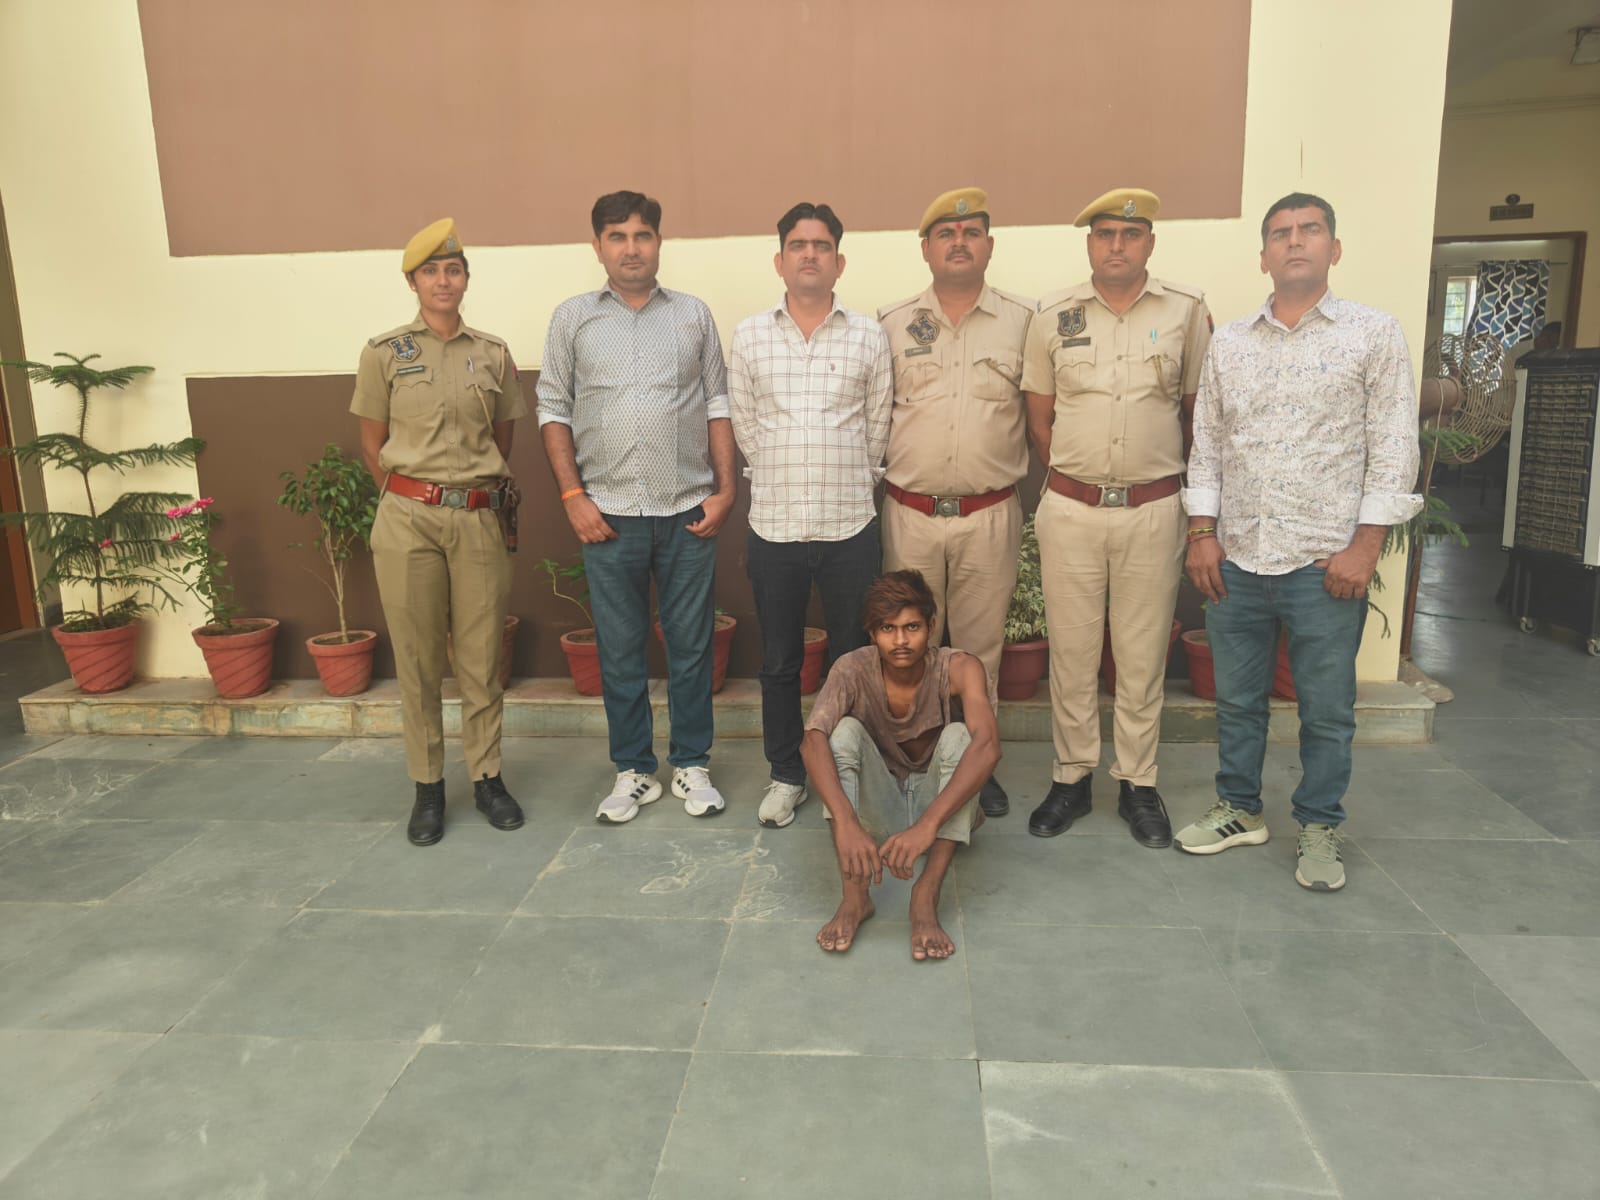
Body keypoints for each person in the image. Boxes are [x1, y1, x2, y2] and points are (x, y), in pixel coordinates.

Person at [1178, 191, 1422, 891]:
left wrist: (1365, 547)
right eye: (1281, 233)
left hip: (1326, 563)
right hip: (1237, 559)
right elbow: (1208, 443)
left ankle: (1319, 825)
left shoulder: (1372, 334)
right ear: (1263, 255)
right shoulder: (1230, 343)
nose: (1294, 241)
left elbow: (1392, 446)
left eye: (1310, 230)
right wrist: (1202, 532)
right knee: (1237, 701)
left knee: (1327, 711)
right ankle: (1239, 808)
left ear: (1333, 249)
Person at [1021, 188, 1212, 847]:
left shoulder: (1186, 310)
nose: (1117, 245)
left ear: (1149, 243)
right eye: (1104, 234)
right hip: (1071, 510)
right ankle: (1071, 777)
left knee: (1140, 654)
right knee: (1072, 653)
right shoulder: (1053, 314)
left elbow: (1198, 418)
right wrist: (1082, 480)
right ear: (1090, 244)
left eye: (1130, 235)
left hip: (1152, 510)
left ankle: (1138, 782)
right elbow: (1040, 420)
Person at [537, 191, 736, 824]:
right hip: (608, 516)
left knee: (691, 646)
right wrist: (573, 497)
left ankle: (692, 764)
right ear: (597, 246)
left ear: (658, 242)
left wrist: (725, 490)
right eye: (617, 236)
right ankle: (634, 770)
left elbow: (717, 403)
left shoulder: (693, 316)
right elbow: (553, 409)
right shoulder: (573, 318)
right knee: (620, 650)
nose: (631, 248)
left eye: (642, 235)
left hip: (687, 512)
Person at [352, 218, 525, 847]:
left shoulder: (494, 353)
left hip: (477, 516)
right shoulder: (384, 354)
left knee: (481, 659)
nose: (443, 281)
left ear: (466, 279)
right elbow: (373, 445)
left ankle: (487, 777)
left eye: (453, 270)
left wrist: (462, 493)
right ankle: (428, 786)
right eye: (431, 271)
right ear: (413, 282)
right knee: (419, 660)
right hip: (407, 521)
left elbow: (502, 440)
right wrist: (418, 497)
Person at [728, 202, 892, 830]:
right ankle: (787, 774)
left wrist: (849, 477)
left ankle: (844, 769)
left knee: (854, 657)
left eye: (821, 246)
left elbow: (877, 425)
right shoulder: (750, 335)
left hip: (850, 524)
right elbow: (746, 425)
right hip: (774, 526)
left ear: (838, 261)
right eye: (798, 245)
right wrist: (783, 472)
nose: (809, 255)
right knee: (779, 661)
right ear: (780, 260)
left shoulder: (868, 335)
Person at [878, 186, 1033, 819]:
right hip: (910, 514)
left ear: (989, 245)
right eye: (946, 233)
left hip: (988, 515)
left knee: (977, 653)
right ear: (926, 249)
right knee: (906, 646)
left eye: (971, 232)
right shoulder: (891, 323)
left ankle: (975, 762)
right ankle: (914, 759)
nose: (959, 242)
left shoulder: (1025, 321)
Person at [801, 570, 999, 960]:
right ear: (872, 633)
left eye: (912, 627)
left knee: (963, 738)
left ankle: (925, 894)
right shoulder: (852, 668)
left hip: (937, 808)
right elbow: (812, 740)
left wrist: (927, 825)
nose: (901, 641)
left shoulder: (959, 668)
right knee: (840, 733)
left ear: (931, 626)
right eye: (888, 629)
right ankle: (855, 898)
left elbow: (989, 746)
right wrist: (846, 822)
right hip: (880, 803)